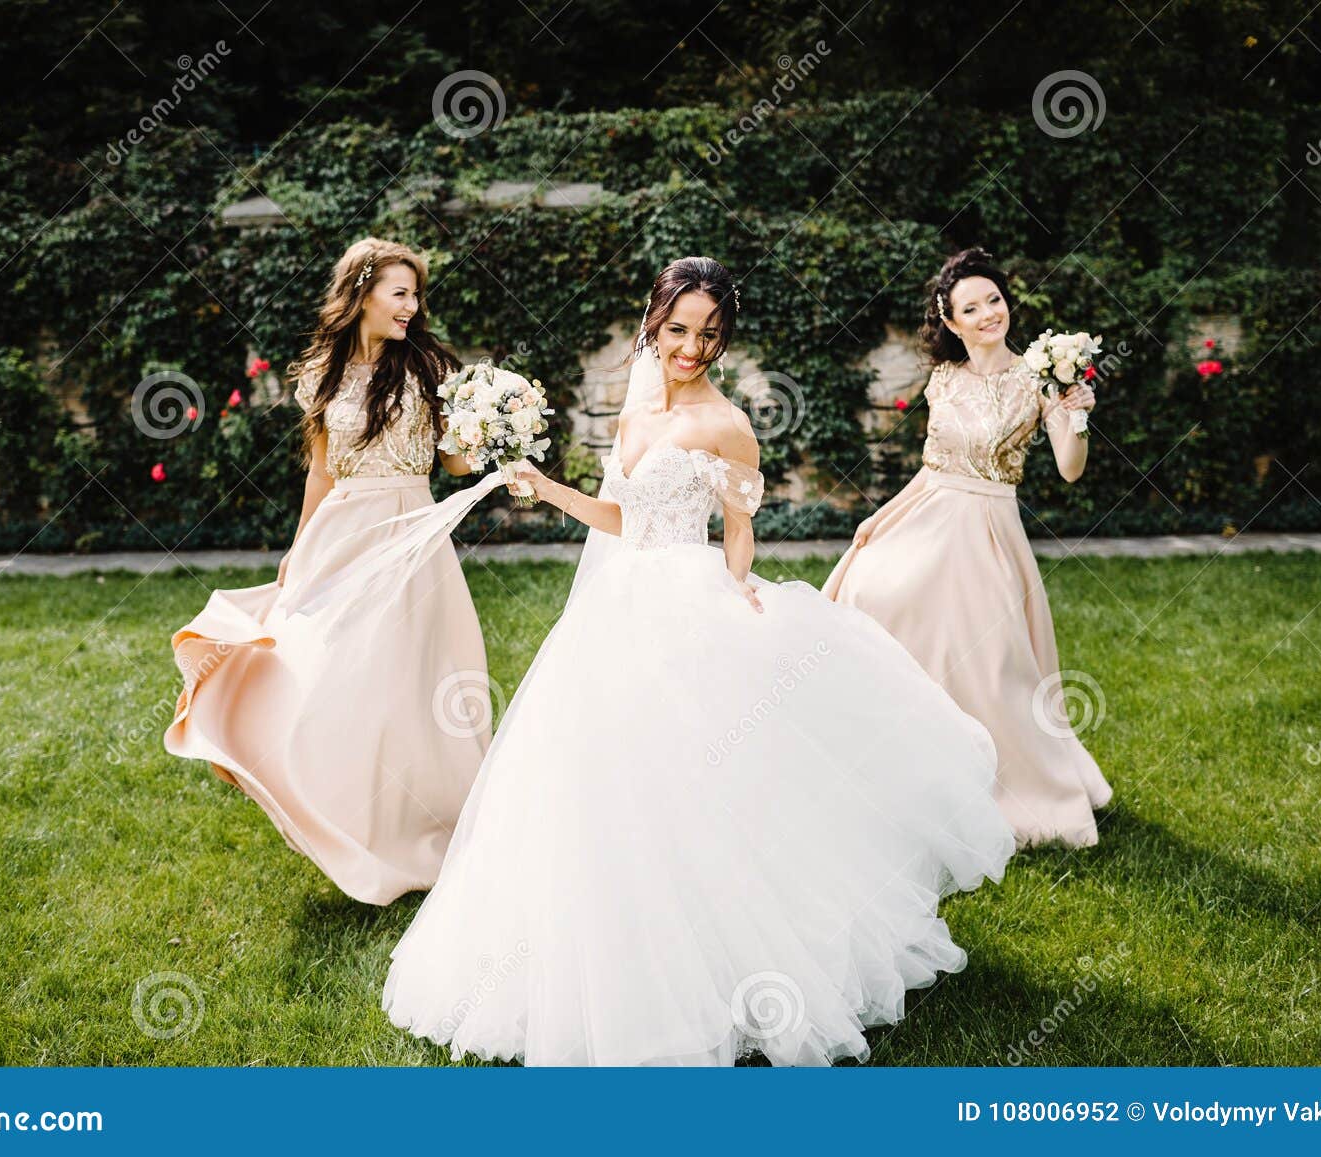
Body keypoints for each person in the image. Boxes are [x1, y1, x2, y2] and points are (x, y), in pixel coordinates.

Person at [378, 256, 1015, 1066]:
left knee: (698, 785)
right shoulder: (635, 415)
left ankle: (724, 962)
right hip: (613, 614)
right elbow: (620, 515)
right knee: (588, 786)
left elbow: (739, 528)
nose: (690, 347)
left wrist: (740, 590)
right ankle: (591, 956)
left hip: (689, 598)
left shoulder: (728, 423)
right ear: (654, 321)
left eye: (708, 334)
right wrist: (544, 486)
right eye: (678, 329)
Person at [163, 238, 491, 905]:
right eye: (400, 292)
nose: (412, 306)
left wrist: (481, 429)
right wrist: (299, 544)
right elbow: (321, 468)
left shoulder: (429, 365)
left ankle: (433, 824)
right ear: (363, 292)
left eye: (416, 295)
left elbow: (453, 465)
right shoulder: (321, 373)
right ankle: (332, 803)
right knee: (321, 667)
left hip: (410, 532)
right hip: (342, 530)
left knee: (411, 681)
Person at [823, 247, 1111, 847]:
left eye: (995, 301)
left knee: (991, 665)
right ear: (950, 322)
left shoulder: (1039, 380)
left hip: (988, 532)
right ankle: (904, 773)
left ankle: (1020, 786)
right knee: (874, 592)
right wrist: (881, 515)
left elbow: (1070, 470)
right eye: (971, 308)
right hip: (930, 514)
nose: (988, 314)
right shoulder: (944, 379)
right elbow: (932, 468)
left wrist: (1076, 414)